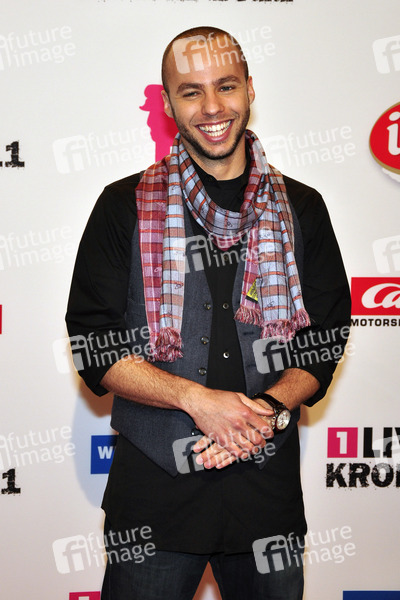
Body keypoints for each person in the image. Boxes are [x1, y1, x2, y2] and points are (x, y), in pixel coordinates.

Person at [66, 26, 351, 600]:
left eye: (226, 86)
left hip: (265, 494)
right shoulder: (124, 206)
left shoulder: (301, 208)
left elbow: (324, 338)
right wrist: (197, 401)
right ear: (168, 104)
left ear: (250, 89)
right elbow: (94, 345)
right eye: (191, 91)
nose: (213, 107)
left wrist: (264, 412)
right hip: (153, 497)